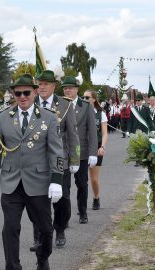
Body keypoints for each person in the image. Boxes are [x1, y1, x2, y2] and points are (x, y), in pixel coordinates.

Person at [0, 73, 64, 270]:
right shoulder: (2, 117)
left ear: (35, 92)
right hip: (11, 182)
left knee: (45, 229)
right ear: (13, 95)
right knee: (10, 228)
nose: (22, 97)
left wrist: (57, 179)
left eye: (27, 92)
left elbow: (56, 150)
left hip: (39, 181)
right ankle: (13, 266)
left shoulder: (49, 118)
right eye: (18, 93)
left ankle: (43, 258)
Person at [30, 70, 80, 249]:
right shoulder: (30, 103)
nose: (41, 87)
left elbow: (73, 134)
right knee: (37, 201)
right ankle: (39, 236)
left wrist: (74, 160)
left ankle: (59, 229)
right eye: (39, 84)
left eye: (45, 84)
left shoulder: (65, 106)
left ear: (53, 86)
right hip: (36, 162)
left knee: (63, 200)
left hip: (60, 161)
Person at [62, 76, 98, 224]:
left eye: (70, 88)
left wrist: (93, 152)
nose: (67, 90)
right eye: (65, 88)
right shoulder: (60, 106)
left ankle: (82, 212)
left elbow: (92, 131)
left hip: (81, 153)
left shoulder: (86, 106)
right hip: (63, 152)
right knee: (64, 188)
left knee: (82, 185)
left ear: (77, 89)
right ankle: (65, 217)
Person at [83, 89, 108, 210]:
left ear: (93, 99)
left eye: (87, 97)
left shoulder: (100, 113)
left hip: (96, 147)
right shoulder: (79, 111)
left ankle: (96, 197)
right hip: (83, 147)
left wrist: (102, 146)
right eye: (83, 97)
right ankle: (81, 204)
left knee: (93, 178)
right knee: (81, 180)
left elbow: (104, 133)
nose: (85, 100)